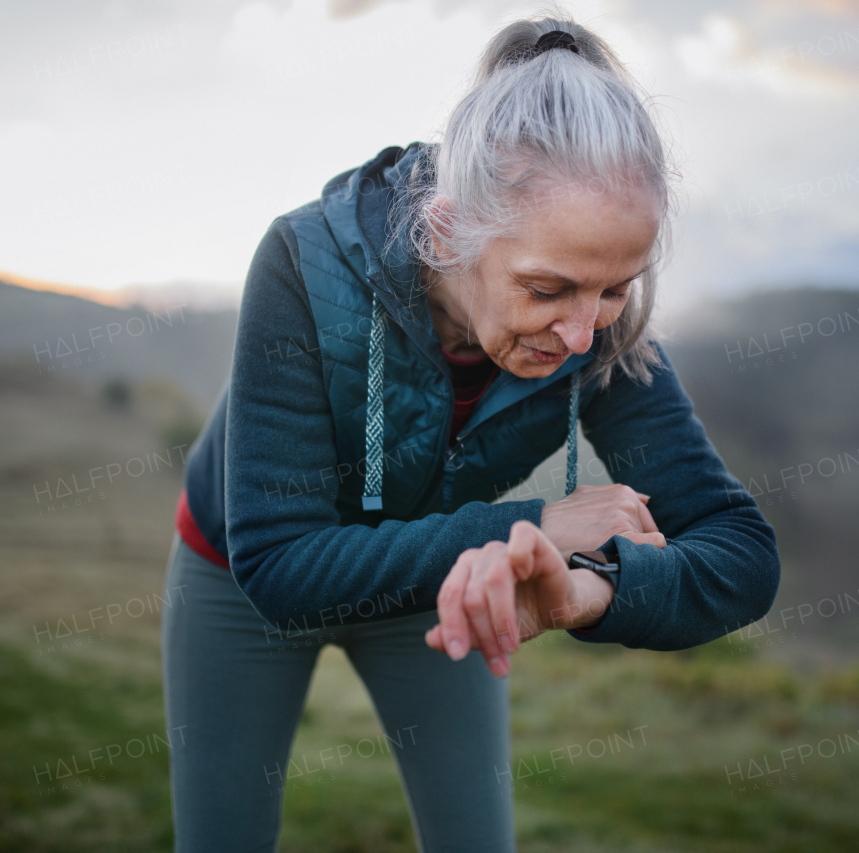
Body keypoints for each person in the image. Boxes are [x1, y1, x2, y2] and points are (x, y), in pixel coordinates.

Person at [161, 14, 779, 852]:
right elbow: (277, 562)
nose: (582, 335)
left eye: (614, 289)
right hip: (239, 576)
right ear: (449, 230)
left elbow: (741, 551)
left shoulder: (601, 327)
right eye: (547, 288)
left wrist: (591, 584)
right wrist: (536, 529)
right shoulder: (301, 261)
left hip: (447, 582)